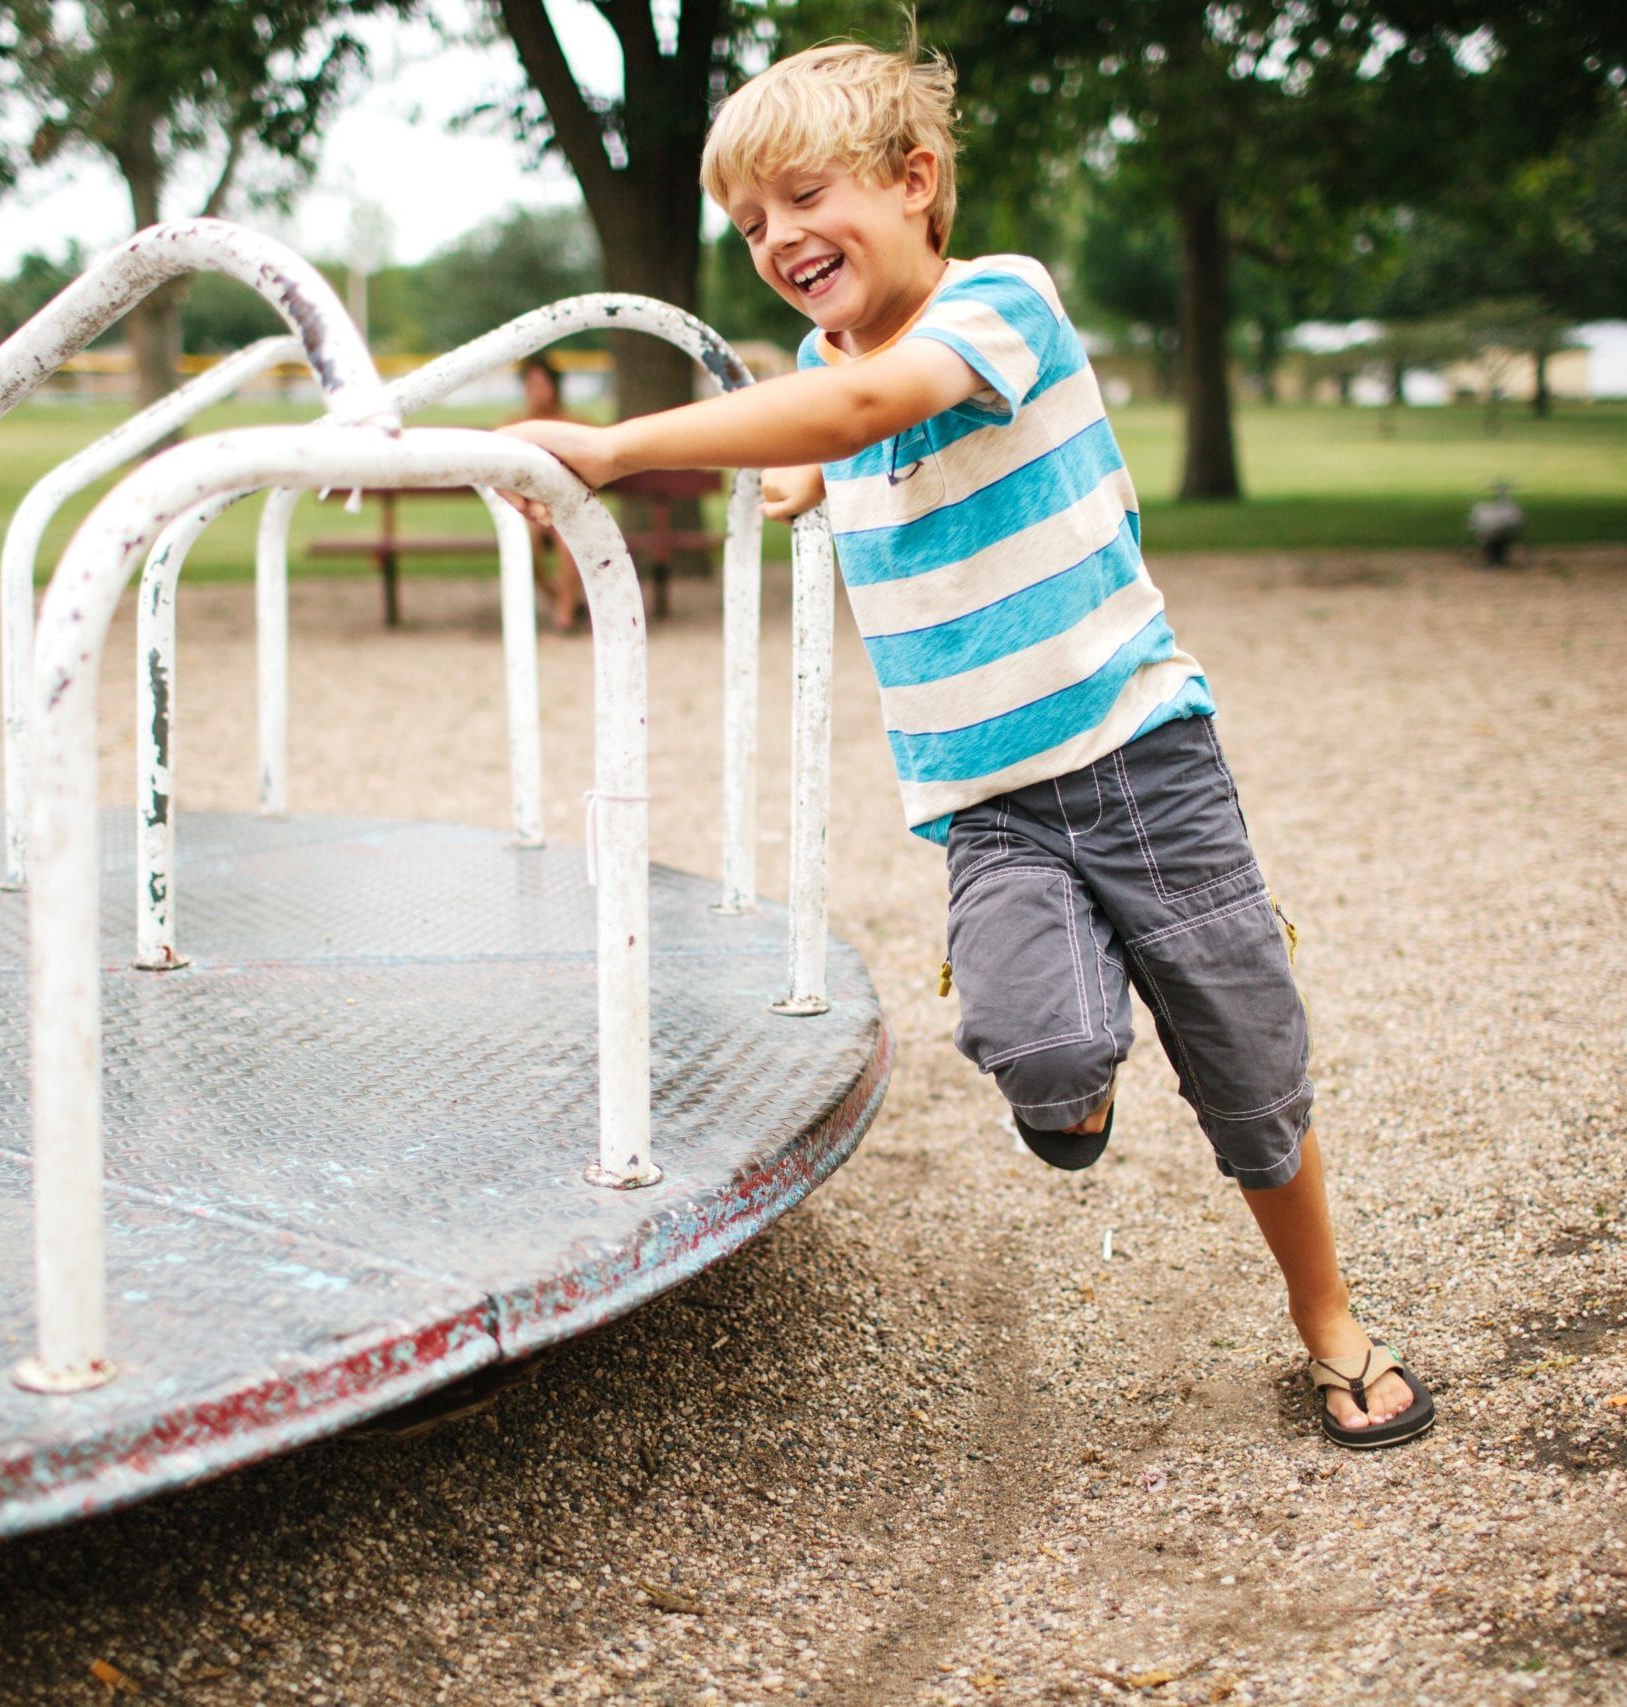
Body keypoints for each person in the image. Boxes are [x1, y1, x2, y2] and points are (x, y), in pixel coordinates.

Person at [501, 40, 1431, 1448]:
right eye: (751, 223)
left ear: (915, 179)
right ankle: (1077, 1062)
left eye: (805, 196)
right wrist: (791, 469)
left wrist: (621, 445)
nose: (778, 240)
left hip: (1143, 761)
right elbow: (831, 419)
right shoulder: (830, 366)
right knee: (1035, 1044)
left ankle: (1330, 1319)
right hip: (991, 801)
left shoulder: (1003, 305)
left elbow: (879, 404)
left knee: (1250, 1066)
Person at [507, 353, 585, 633]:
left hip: (566, 507)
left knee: (570, 540)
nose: (537, 393)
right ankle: (554, 594)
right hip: (530, 508)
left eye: (542, 385)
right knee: (525, 540)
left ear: (555, 387)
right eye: (531, 386)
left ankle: (565, 611)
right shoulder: (514, 426)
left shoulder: (574, 424)